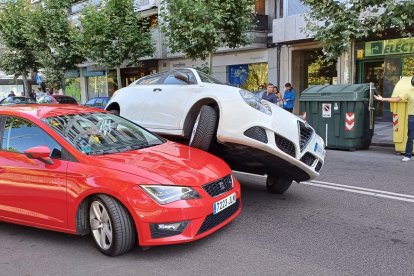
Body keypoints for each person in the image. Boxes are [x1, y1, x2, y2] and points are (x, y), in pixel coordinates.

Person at [375, 83, 414, 162]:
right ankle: (408, 155)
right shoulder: (408, 92)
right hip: (412, 117)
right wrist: (382, 99)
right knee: (410, 137)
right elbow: (396, 99)